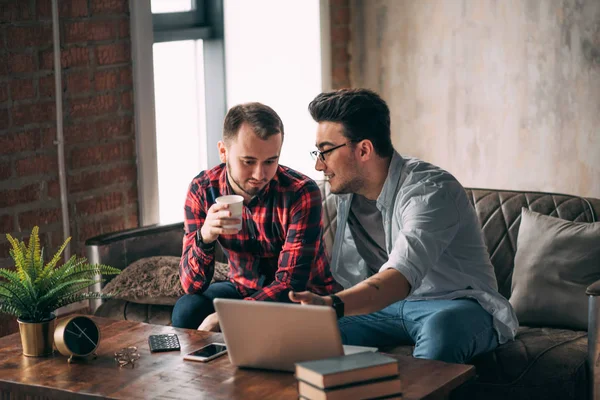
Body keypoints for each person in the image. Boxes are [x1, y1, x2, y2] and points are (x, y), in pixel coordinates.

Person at [289, 88, 518, 364]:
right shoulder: (346, 192)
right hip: (388, 309)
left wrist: (335, 304)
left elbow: (399, 278)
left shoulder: (429, 190)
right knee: (309, 335)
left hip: (456, 304)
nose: (318, 165)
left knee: (442, 330)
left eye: (325, 152)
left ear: (363, 150)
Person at [172, 102, 341, 331]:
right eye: (248, 162)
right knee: (187, 310)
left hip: (301, 300)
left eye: (270, 161)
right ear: (223, 152)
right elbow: (192, 285)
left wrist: (231, 317)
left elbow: (290, 285)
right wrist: (205, 237)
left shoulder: (300, 192)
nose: (260, 175)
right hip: (242, 289)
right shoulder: (203, 190)